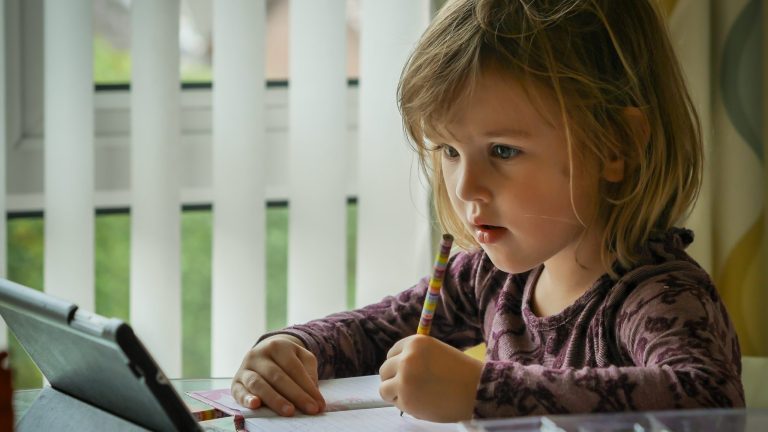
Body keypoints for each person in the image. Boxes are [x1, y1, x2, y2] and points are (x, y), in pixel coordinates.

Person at [231, 0, 745, 422]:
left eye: (502, 150)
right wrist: (292, 349)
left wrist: (484, 389)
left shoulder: (658, 295)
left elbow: (709, 398)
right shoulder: (489, 278)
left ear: (616, 147)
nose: (465, 186)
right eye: (449, 152)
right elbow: (371, 332)